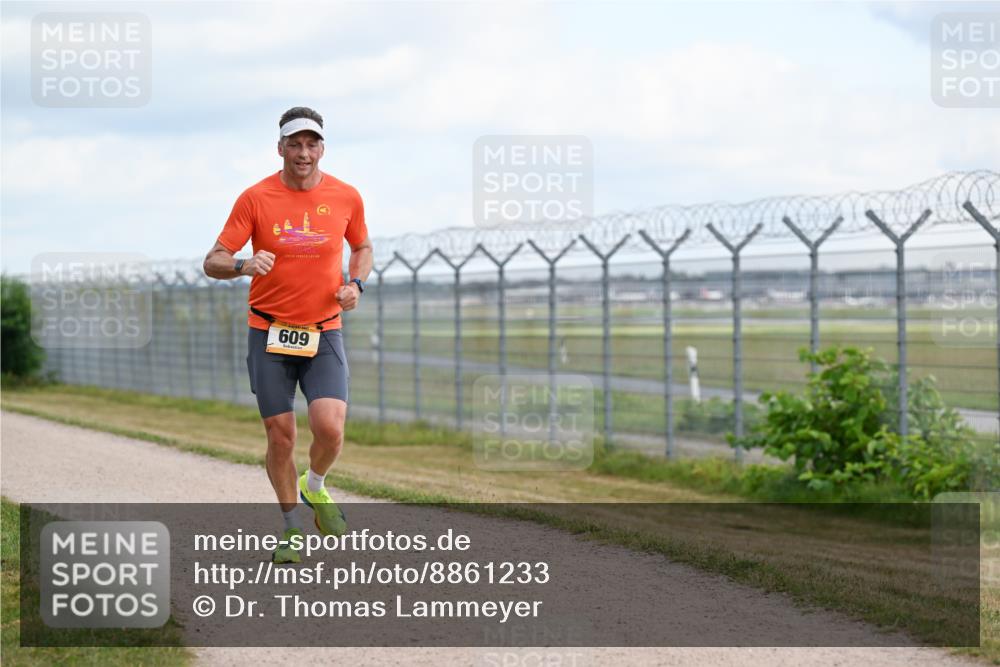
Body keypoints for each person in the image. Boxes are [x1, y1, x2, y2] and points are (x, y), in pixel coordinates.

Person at [203, 106, 373, 563]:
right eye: (294, 144)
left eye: (311, 144)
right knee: (281, 437)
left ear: (322, 148)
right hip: (269, 332)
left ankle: (314, 485)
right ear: (279, 148)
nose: (303, 152)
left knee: (330, 429)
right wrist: (243, 264)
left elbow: (362, 246)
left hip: (323, 331)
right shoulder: (255, 198)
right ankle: (292, 528)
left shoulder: (346, 196)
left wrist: (356, 284)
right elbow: (213, 260)